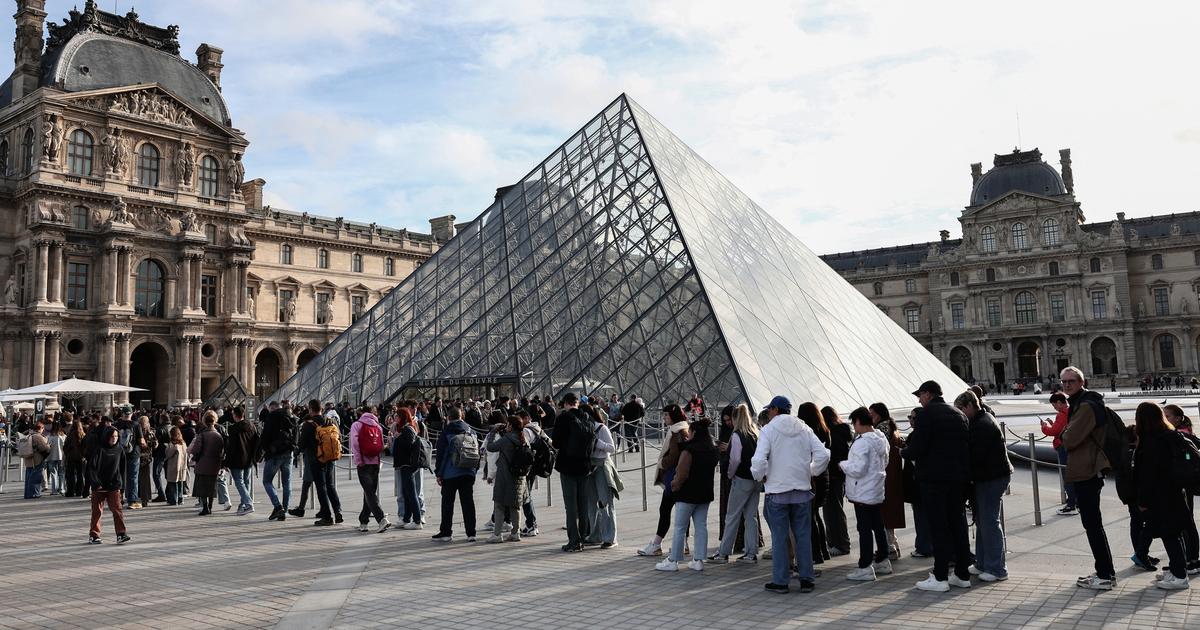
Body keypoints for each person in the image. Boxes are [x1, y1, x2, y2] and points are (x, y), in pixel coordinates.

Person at [751, 395, 831, 594]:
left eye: (769, 409)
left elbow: (759, 460)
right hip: (802, 491)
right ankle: (806, 579)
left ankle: (781, 581)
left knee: (779, 538)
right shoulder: (804, 428)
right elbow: (823, 454)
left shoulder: (768, 430)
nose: (768, 413)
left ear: (775, 410)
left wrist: (760, 476)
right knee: (803, 537)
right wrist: (810, 471)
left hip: (777, 492)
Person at [903, 380, 972, 593]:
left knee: (938, 527)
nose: (919, 400)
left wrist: (903, 452)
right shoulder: (959, 414)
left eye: (920, 395)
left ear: (928, 394)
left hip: (934, 480)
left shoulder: (926, 415)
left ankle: (940, 576)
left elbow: (918, 447)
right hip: (957, 479)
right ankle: (962, 574)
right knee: (958, 526)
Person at [1059, 366, 1119, 590]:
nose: (1066, 385)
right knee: (1093, 523)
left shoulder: (1085, 406)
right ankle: (1105, 571)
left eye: (1071, 381)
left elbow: (1069, 439)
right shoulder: (1083, 402)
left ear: (1081, 382)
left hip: (1087, 469)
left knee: (1092, 524)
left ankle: (1104, 576)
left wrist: (1064, 433)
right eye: (1064, 382)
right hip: (1088, 468)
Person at [1132, 402, 1191, 589]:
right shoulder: (1169, 434)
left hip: (1160, 495)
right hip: (1174, 492)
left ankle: (1180, 576)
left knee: (1169, 535)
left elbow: (1148, 475)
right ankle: (1176, 569)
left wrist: (1143, 500)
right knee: (1174, 534)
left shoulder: (1152, 441)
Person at [958, 390, 1013, 582]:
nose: (960, 414)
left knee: (989, 522)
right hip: (991, 476)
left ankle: (997, 569)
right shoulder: (982, 419)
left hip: (991, 478)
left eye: (961, 409)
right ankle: (983, 563)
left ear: (969, 406)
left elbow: (975, 457)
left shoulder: (981, 425)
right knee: (983, 521)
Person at [657, 417, 718, 572]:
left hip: (687, 494)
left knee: (680, 527)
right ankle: (698, 560)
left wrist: (674, 485)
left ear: (694, 432)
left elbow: (681, 474)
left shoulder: (689, 450)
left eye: (689, 431)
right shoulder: (712, 449)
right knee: (701, 526)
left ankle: (673, 560)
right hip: (705, 494)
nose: (688, 434)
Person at [841, 407, 890, 581]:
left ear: (859, 421)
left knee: (864, 529)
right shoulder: (881, 438)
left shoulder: (862, 443)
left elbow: (858, 469)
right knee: (878, 525)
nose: (854, 428)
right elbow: (885, 462)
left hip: (862, 491)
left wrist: (843, 465)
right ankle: (883, 560)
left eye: (854, 424)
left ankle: (865, 566)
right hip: (875, 489)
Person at [710, 403, 761, 564]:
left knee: (731, 516)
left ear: (735, 418)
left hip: (741, 480)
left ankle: (723, 552)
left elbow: (735, 459)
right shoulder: (755, 433)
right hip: (755, 480)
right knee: (751, 517)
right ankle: (751, 553)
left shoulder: (737, 435)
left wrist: (730, 474)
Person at [637, 404, 690, 557]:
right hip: (680, 476)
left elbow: (674, 456)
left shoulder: (677, 431)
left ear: (674, 416)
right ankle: (683, 544)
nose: (664, 418)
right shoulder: (683, 429)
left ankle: (657, 544)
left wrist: (662, 463)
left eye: (666, 415)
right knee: (680, 511)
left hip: (674, 478)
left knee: (665, 510)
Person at [552, 392, 595, 552]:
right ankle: (583, 537)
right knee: (583, 504)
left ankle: (574, 541)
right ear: (577, 402)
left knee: (570, 506)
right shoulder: (588, 417)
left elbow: (556, 443)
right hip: (585, 466)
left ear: (565, 403)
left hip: (567, 465)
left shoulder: (563, 418)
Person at [871, 403, 911, 559]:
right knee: (889, 514)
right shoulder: (893, 429)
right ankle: (893, 546)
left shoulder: (881, 431)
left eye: (872, 414)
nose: (870, 418)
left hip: (885, 478)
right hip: (893, 478)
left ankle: (889, 548)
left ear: (879, 415)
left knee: (884, 515)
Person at [432, 406, 478, 542]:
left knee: (447, 503)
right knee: (468, 503)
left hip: (450, 473)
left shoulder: (447, 432)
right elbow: (477, 451)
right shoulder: (471, 431)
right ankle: (471, 533)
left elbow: (441, 455)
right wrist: (474, 470)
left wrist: (438, 473)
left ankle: (446, 532)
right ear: (461, 416)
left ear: (448, 418)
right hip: (468, 471)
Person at [1163, 405, 1200, 575]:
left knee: (1186, 523)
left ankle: (1190, 560)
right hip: (1186, 484)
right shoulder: (1183, 433)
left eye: (1168, 416)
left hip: (1184, 485)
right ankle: (1188, 559)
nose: (1165, 419)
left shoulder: (1179, 435)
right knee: (1186, 522)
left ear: (1178, 418)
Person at [485, 415, 530, 543]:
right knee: (515, 506)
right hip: (519, 478)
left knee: (499, 505)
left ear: (510, 425)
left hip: (504, 477)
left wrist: (493, 431)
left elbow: (490, 447)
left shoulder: (506, 440)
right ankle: (515, 533)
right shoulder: (524, 439)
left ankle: (497, 535)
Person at [797, 402, 832, 565]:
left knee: (810, 517)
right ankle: (823, 551)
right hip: (824, 476)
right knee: (815, 515)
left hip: (812, 477)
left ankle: (816, 554)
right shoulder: (825, 430)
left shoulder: (807, 432)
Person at [349, 405, 391, 533]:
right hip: (375, 462)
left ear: (361, 413)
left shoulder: (356, 425)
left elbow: (354, 444)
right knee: (369, 492)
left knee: (369, 493)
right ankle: (363, 521)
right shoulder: (378, 426)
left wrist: (358, 460)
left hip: (364, 463)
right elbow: (380, 445)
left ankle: (381, 519)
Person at [303, 399, 344, 526]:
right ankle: (338, 511)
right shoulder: (330, 421)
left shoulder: (308, 424)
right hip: (330, 457)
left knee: (321, 488)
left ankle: (327, 517)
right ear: (322, 409)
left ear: (310, 409)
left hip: (316, 459)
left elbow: (302, 443)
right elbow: (339, 437)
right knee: (330, 485)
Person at [87, 425, 130, 544]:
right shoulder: (99, 449)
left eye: (116, 436)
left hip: (114, 485)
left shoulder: (120, 450)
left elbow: (123, 469)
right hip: (99, 486)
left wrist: (122, 486)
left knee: (117, 510)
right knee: (97, 511)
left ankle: (121, 534)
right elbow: (91, 468)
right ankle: (94, 535)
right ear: (106, 437)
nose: (114, 439)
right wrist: (95, 483)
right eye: (112, 436)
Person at [585, 404, 619, 548]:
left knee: (605, 502)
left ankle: (610, 538)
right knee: (591, 503)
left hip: (602, 465)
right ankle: (596, 535)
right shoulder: (583, 429)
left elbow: (612, 448)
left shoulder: (601, 428)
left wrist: (597, 442)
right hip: (589, 467)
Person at [257, 401, 297, 521]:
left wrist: (265, 450)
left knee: (267, 481)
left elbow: (265, 436)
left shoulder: (271, 417)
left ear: (272, 408)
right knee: (287, 483)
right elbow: (296, 434)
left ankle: (278, 507)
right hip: (289, 453)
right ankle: (284, 510)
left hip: (275, 454)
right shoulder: (290, 416)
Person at [823, 405, 853, 556]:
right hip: (838, 477)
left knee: (833, 511)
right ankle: (838, 543)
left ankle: (839, 544)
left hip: (833, 476)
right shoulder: (842, 432)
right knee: (834, 510)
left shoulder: (832, 435)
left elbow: (834, 456)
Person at [1042, 392, 1077, 516]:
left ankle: (1071, 504)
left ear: (1058, 402)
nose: (1054, 408)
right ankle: (1075, 501)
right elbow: (1061, 429)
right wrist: (1053, 423)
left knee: (1067, 476)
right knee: (1073, 474)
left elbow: (1054, 431)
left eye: (1054, 405)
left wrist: (1044, 427)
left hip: (1063, 447)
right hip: (1071, 445)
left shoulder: (1061, 414)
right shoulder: (1070, 411)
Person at [392, 408, 424, 529]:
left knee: (411, 493)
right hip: (404, 464)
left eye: (397, 416)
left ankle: (417, 520)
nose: (395, 418)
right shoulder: (404, 428)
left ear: (402, 417)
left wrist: (398, 437)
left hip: (408, 465)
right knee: (406, 493)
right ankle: (406, 518)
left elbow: (410, 444)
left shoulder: (408, 428)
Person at [224, 406, 259, 516]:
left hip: (237, 459)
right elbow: (256, 442)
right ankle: (243, 505)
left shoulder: (233, 429)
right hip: (249, 458)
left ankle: (248, 504)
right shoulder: (251, 426)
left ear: (235, 415)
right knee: (246, 482)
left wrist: (226, 462)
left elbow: (231, 447)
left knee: (239, 481)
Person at [190, 412, 225, 516]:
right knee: (211, 487)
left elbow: (196, 449)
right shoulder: (218, 435)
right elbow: (222, 450)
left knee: (202, 486)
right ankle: (210, 506)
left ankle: (205, 507)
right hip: (214, 464)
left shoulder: (202, 434)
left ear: (205, 422)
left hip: (202, 464)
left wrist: (194, 457)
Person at [20, 420, 50, 499]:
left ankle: (28, 494)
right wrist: (49, 448)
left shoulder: (29, 435)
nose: (43, 430)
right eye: (43, 428)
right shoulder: (37, 436)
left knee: (29, 477)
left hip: (28, 459)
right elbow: (45, 449)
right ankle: (35, 493)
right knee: (35, 478)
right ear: (40, 428)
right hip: (37, 460)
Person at [164, 427, 188, 505]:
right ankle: (180, 499)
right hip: (182, 467)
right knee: (180, 483)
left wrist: (167, 447)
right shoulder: (183, 443)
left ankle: (173, 500)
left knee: (172, 484)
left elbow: (168, 454)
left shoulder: (173, 445)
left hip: (174, 467)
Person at [64, 419, 87, 498]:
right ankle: (79, 491)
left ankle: (70, 491)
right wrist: (84, 455)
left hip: (71, 457)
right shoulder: (83, 435)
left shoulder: (70, 435)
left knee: (71, 475)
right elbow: (85, 447)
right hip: (81, 458)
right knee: (81, 475)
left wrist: (67, 454)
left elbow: (65, 447)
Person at [45, 421, 65, 495]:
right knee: (61, 473)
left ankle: (54, 490)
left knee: (53, 473)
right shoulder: (63, 436)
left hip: (51, 456)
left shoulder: (49, 436)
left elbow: (47, 446)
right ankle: (61, 489)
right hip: (61, 456)